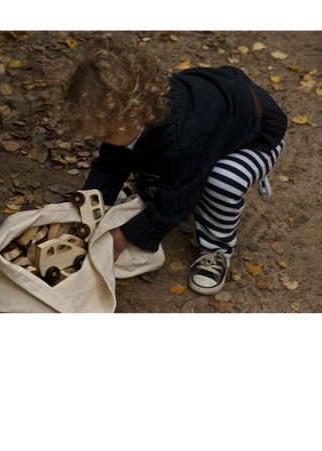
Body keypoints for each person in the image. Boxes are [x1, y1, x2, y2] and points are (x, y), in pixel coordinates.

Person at [54, 35, 288, 296]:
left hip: (254, 136)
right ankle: (150, 188)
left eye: (105, 133)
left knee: (220, 181)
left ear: (140, 113)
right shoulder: (130, 118)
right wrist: (91, 202)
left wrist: (121, 237)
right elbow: (111, 162)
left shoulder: (182, 141)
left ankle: (217, 250)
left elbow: (176, 203)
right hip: (212, 120)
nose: (98, 139)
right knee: (147, 151)